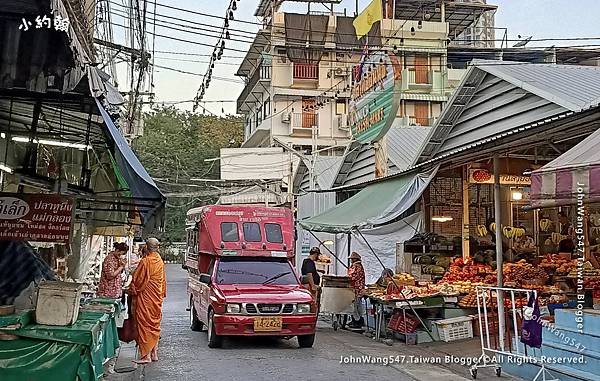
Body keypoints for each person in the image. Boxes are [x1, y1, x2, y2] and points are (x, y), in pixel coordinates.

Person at [128, 238, 167, 364]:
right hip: (156, 298)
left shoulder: (145, 262)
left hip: (145, 298)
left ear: (146, 246)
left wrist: (132, 288)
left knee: (144, 326)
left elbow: (138, 281)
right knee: (154, 325)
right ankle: (154, 353)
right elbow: (163, 281)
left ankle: (146, 356)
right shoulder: (159, 261)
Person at [348, 252, 366, 328]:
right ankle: (358, 320)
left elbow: (352, 276)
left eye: (352, 259)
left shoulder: (356, 266)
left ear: (355, 259)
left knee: (354, 305)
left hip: (356, 288)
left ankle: (357, 321)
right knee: (358, 305)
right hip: (359, 288)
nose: (351, 260)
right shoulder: (359, 266)